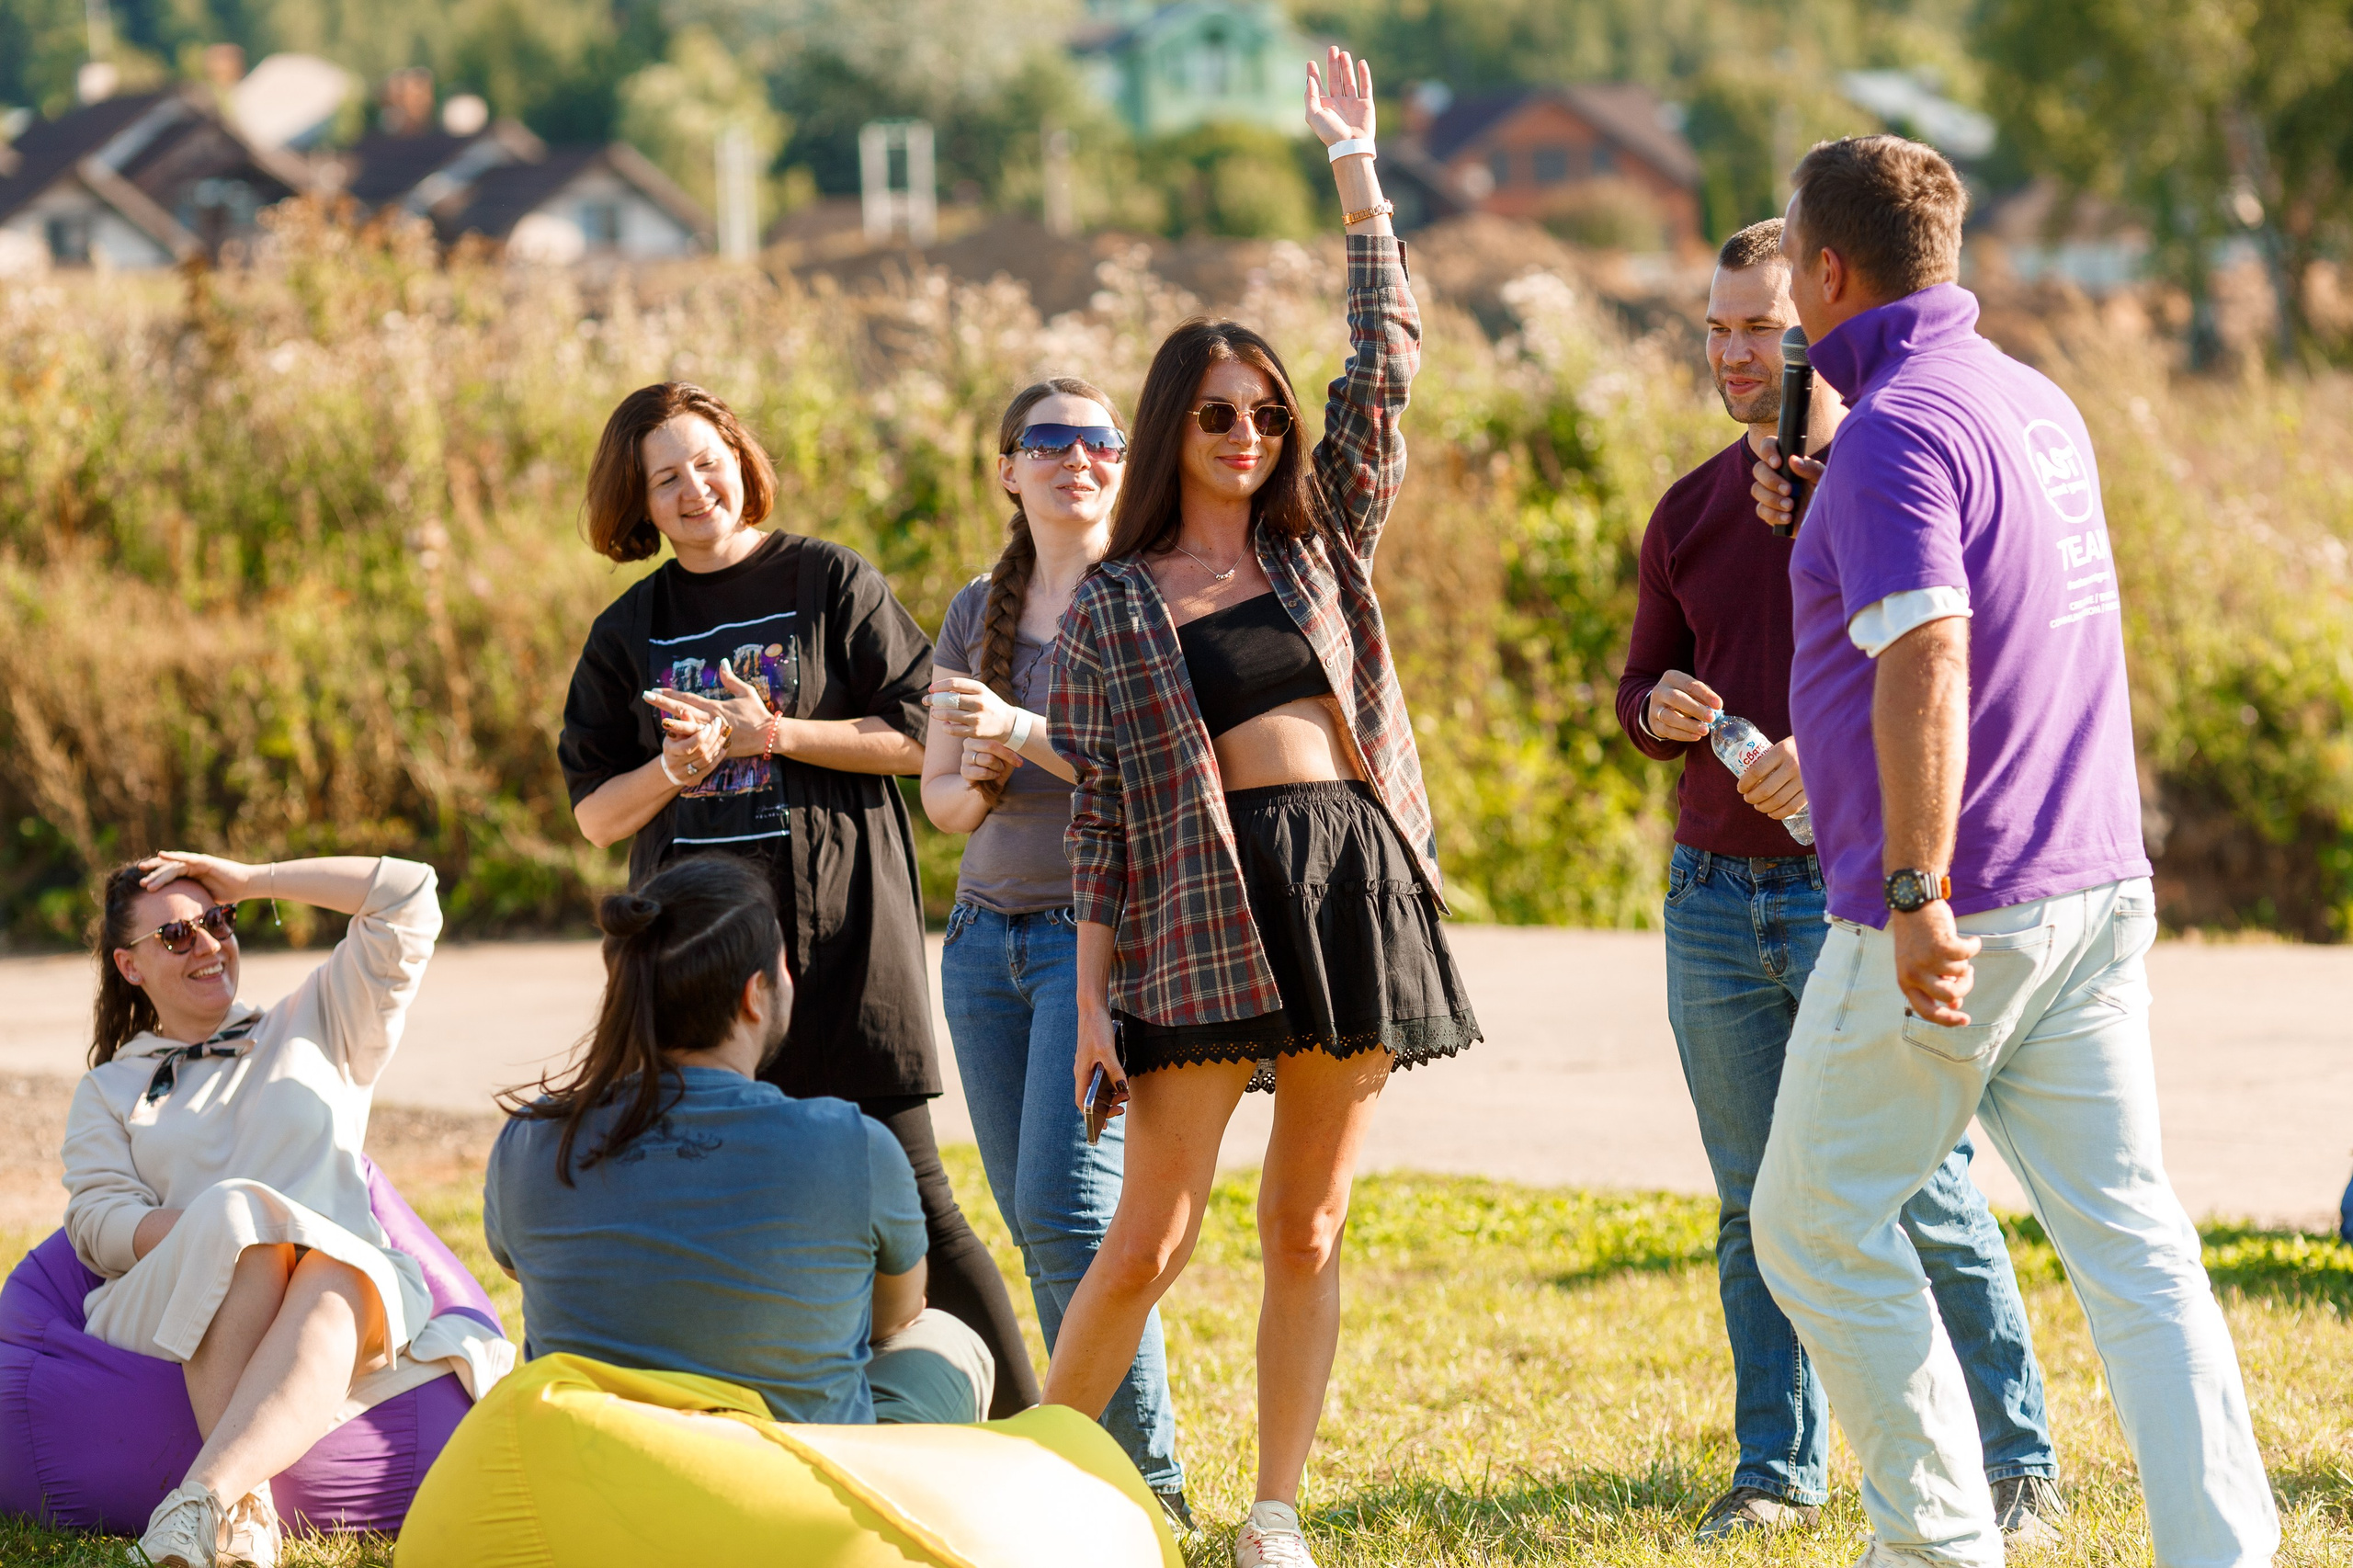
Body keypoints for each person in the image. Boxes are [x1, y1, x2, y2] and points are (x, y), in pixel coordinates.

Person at [1745, 135, 2279, 1567]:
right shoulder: (2032, 401)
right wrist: (1832, 506)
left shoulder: (1893, 435)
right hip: (2091, 876)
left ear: (1829, 270)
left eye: (1789, 258)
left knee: (1811, 1223)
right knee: (2134, 1243)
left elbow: (1930, 654)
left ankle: (1937, 1544)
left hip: (1958, 904)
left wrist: (1915, 890)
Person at [1041, 49, 1480, 1568]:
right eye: (1220, 414)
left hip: (1347, 881)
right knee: (1148, 1239)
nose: (1248, 434)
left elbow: (1388, 358)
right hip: (1202, 914)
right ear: (1174, 425)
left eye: (1266, 415)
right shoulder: (1114, 600)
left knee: (1307, 1224)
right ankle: (1025, 1481)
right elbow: (1099, 824)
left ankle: (1273, 1512)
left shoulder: (1320, 538)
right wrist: (1092, 1004)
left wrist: (1356, 173)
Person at [1618, 218, 2063, 1545]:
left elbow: (1944, 669)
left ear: (1818, 325)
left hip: (1855, 893)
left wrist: (1834, 754)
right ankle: (1776, 1466)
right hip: (1710, 897)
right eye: (1715, 328)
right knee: (1750, 1200)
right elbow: (1636, 687)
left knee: (1923, 1183)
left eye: (1759, 327)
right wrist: (1660, 708)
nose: (1732, 352)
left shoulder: (1882, 472)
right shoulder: (1689, 510)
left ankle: (2015, 1459)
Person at [556, 381, 1037, 1417]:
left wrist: (771, 734)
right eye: (666, 478)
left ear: (742, 458)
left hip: (844, 944)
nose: (695, 489)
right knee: (721, 1202)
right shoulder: (628, 628)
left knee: (919, 1198)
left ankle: (1033, 1432)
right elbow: (596, 815)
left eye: (707, 461)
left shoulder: (828, 580)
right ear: (639, 502)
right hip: (697, 973)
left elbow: (921, 736)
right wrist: (675, 769)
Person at [63, 852, 511, 1568]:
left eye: (219, 921)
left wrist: (253, 879)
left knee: (340, 1270)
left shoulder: (319, 1019)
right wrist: (224, 1229)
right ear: (129, 965)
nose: (209, 946)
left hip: (333, 1292)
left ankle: (207, 1504)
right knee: (243, 1226)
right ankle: (237, 1499)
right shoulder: (110, 1088)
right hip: (177, 1297)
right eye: (177, 935)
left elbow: (409, 894)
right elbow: (95, 1223)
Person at [921, 379, 1191, 1522]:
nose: (1077, 458)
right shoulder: (973, 608)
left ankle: (1149, 1487)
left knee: (1073, 1215)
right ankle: (1091, 1470)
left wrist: (1020, 732)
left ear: (1124, 465)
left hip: (1101, 947)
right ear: (1007, 469)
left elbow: (1161, 769)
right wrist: (981, 772)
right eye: (1049, 441)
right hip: (981, 945)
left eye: (1100, 441)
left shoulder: (1149, 597)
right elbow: (941, 801)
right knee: (1041, 1222)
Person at [483, 855, 994, 1426]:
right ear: (755, 994)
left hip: (592, 1464)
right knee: (948, 1340)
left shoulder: (526, 1140)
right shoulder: (854, 1145)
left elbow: (526, 1272)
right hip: (790, 1475)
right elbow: (893, 1316)